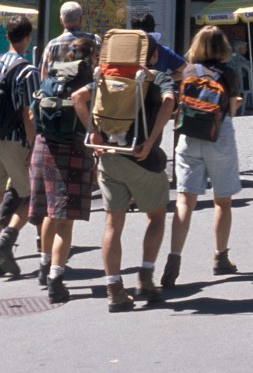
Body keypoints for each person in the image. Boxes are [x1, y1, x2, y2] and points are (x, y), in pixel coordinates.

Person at [72, 35, 177, 311]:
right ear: (153, 56)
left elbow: (77, 98)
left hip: (109, 158)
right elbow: (169, 102)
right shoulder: (157, 77)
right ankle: (145, 277)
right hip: (142, 158)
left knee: (112, 225)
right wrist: (151, 140)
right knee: (156, 217)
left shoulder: (107, 76)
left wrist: (94, 133)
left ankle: (114, 290)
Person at [160, 26, 242, 288]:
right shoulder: (228, 73)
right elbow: (231, 110)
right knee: (222, 201)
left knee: (184, 201)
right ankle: (220, 257)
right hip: (218, 136)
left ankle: (174, 259)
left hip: (188, 136)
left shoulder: (188, 71)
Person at [29, 36, 97, 303]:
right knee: (65, 220)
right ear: (91, 57)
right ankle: (56, 279)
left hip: (44, 146)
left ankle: (44, 265)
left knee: (50, 211)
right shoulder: (87, 81)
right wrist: (92, 132)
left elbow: (33, 113)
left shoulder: (52, 76)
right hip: (73, 150)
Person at [0, 14, 40, 277]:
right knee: (32, 196)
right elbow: (29, 113)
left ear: (7, 36)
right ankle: (8, 237)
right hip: (16, 142)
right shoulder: (28, 71)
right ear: (28, 38)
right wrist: (35, 146)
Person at [40, 1, 100, 79]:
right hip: (87, 86)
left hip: (59, 86)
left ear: (61, 20)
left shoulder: (51, 45)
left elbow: (43, 75)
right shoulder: (94, 40)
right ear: (80, 19)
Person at [129, 13, 186, 80]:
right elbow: (186, 71)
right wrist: (163, 80)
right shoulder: (164, 51)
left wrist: (163, 80)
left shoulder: (125, 50)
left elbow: (185, 71)